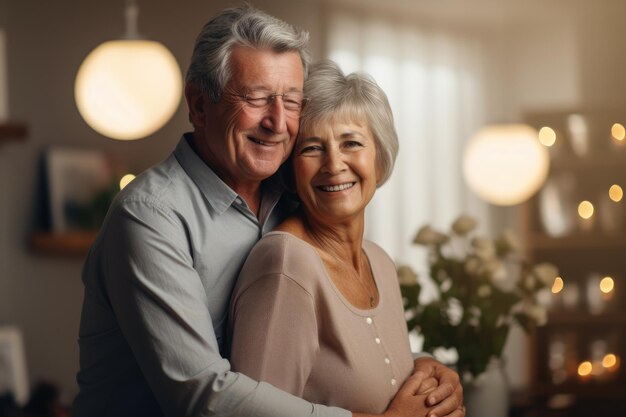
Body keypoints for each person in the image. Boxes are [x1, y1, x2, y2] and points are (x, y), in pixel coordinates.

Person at [73, 5, 464, 417]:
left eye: (291, 101)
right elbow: (202, 395)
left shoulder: (293, 192)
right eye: (256, 98)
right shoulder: (150, 218)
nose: (277, 122)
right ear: (199, 105)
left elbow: (335, 344)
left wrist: (424, 368)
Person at [228, 60, 464, 417]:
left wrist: (430, 370)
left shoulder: (380, 263)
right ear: (291, 170)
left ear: (380, 159)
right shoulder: (285, 262)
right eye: (312, 148)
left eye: (351, 143)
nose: (334, 164)